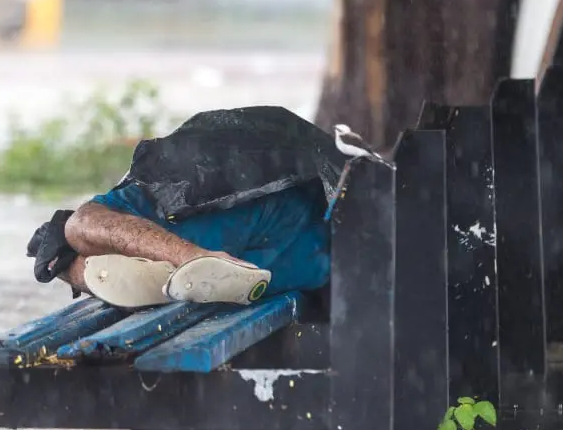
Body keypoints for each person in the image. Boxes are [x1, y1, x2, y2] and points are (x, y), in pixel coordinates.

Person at [26, 106, 341, 310]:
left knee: (78, 230)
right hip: (307, 245)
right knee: (82, 240)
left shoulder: (160, 193)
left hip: (263, 215)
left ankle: (187, 261)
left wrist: (67, 263)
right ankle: (181, 266)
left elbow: (82, 225)